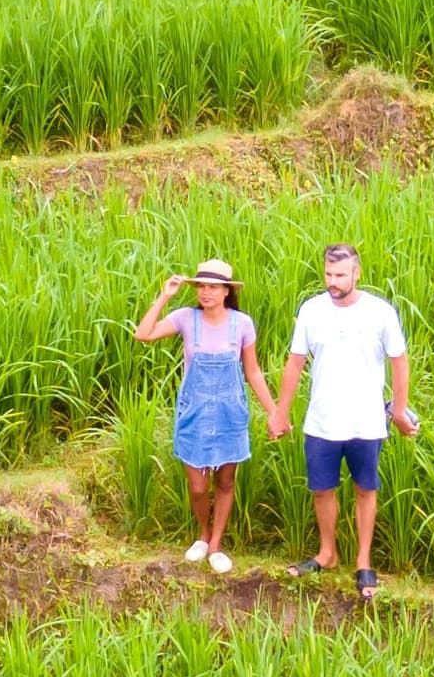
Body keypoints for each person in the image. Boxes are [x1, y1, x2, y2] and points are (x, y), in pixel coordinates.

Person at [266, 241, 415, 599]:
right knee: (322, 487)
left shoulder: (380, 313)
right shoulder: (312, 310)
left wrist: (399, 411)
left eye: (340, 275)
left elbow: (399, 362)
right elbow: (295, 362)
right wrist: (280, 412)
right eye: (328, 274)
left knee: (365, 487)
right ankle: (327, 553)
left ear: (356, 273)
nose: (332, 281)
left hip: (366, 421)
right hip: (321, 420)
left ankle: (363, 561)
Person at [135, 259, 272, 576]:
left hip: (229, 412)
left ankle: (216, 545)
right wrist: (165, 296)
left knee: (225, 481)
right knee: (198, 486)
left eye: (213, 287)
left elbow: (252, 371)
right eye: (201, 286)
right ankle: (202, 533)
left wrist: (274, 411)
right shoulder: (185, 318)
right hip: (194, 413)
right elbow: (143, 334)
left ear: (226, 291)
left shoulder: (242, 324)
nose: (206, 292)